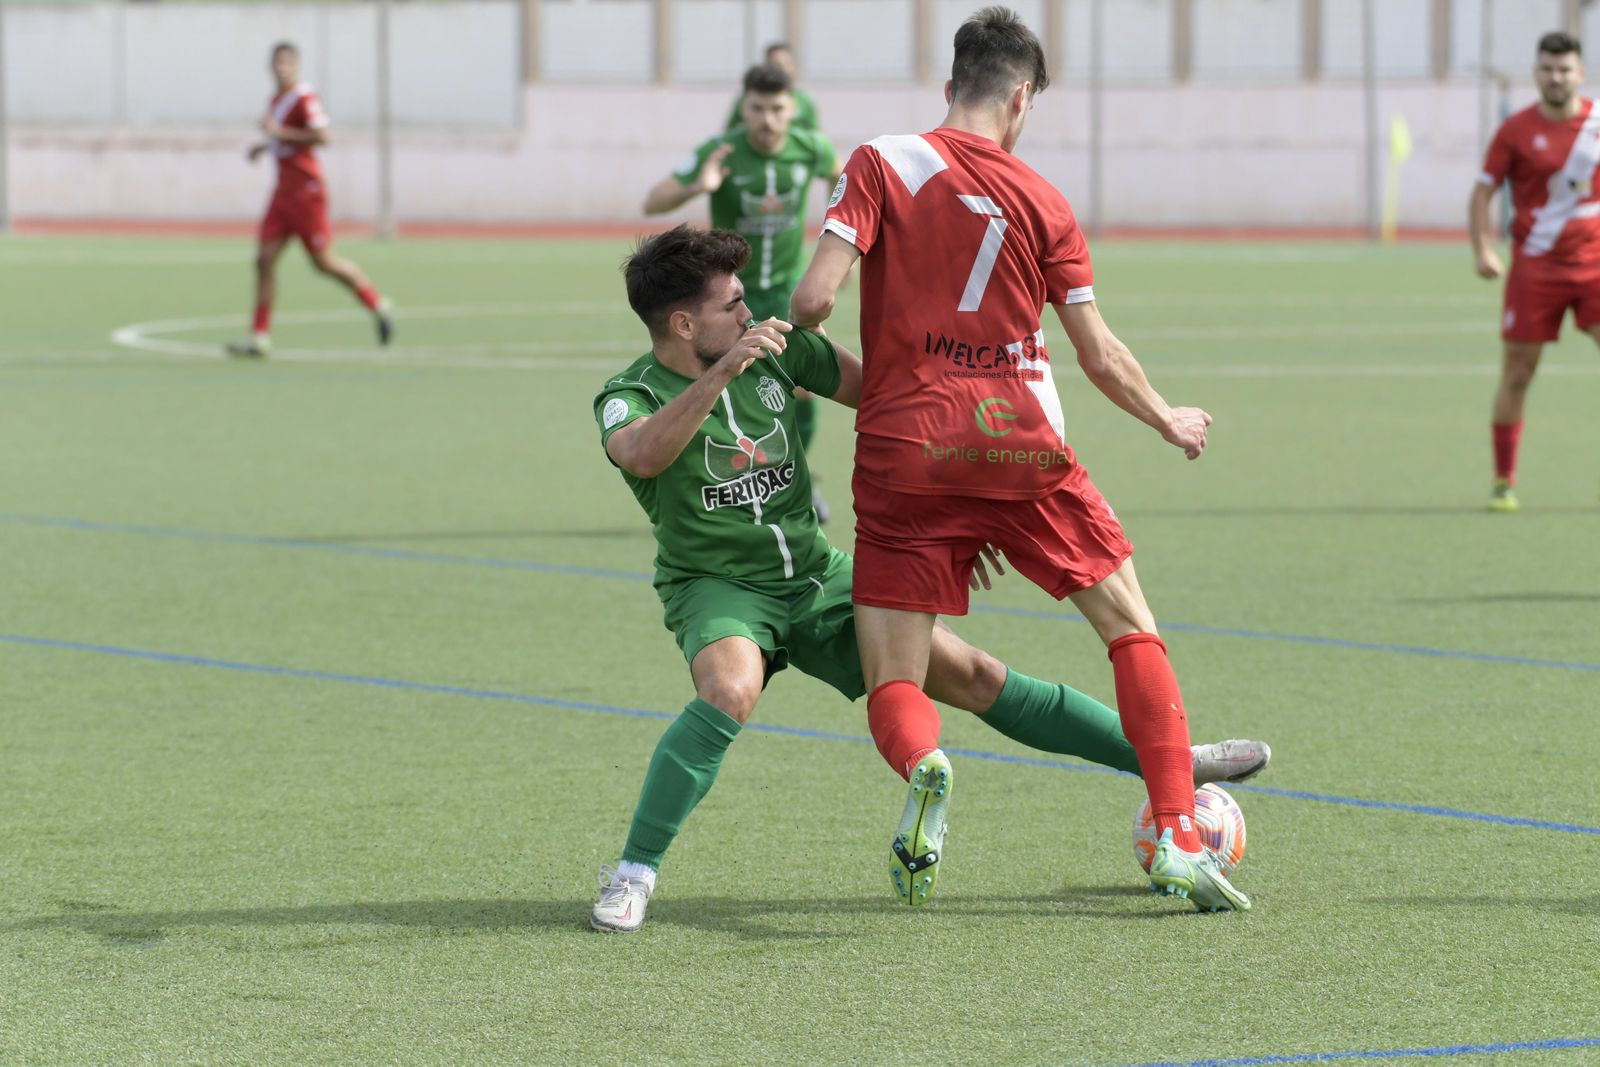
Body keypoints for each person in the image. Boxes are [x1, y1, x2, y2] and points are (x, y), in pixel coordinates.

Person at [587, 224, 1271, 932]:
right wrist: (723, 372)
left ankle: (1171, 765)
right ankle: (634, 872)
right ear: (681, 322)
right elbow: (640, 454)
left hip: (818, 576)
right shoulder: (628, 393)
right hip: (719, 587)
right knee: (730, 688)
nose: (746, 313)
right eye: (730, 304)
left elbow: (897, 396)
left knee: (974, 675)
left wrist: (976, 503)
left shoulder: (780, 351)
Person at [790, 6, 1249, 912]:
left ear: (951, 85)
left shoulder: (881, 161)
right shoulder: (1046, 202)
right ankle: (1178, 834)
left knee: (896, 674)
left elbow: (812, 300)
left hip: (905, 450)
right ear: (1023, 96)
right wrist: (1168, 418)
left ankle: (926, 767)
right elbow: (1101, 355)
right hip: (1019, 445)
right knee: (1130, 627)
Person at [644, 63, 841, 520]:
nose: (767, 120)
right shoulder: (723, 150)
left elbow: (838, 176)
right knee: (723, 389)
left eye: (777, 109)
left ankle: (797, 479)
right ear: (743, 107)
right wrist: (700, 185)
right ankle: (719, 485)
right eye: (757, 109)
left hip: (790, 292)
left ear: (793, 109)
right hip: (730, 300)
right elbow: (655, 199)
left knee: (807, 391)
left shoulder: (810, 147)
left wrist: (836, 249)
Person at [1470, 30, 1600, 512]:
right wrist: (1484, 248)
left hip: (1594, 265)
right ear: (1536, 73)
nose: (1556, 77)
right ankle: (1504, 480)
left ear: (1580, 73)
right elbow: (1482, 192)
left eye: (1565, 69)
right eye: (1547, 68)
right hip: (1535, 268)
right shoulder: (1516, 130)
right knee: (1518, 374)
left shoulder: (1596, 124)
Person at [227, 41, 393, 359]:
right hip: (282, 195)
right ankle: (260, 337)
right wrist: (263, 147)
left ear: (297, 67)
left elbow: (322, 136)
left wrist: (277, 131)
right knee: (263, 260)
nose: (282, 68)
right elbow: (281, 139)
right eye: (278, 62)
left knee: (323, 263)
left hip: (307, 193)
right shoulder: (274, 100)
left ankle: (377, 303)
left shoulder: (304, 98)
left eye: (288, 63)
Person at [725, 42, 820, 133]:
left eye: (784, 64)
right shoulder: (748, 97)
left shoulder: (803, 99)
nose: (780, 69)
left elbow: (816, 132)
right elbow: (729, 130)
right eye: (774, 64)